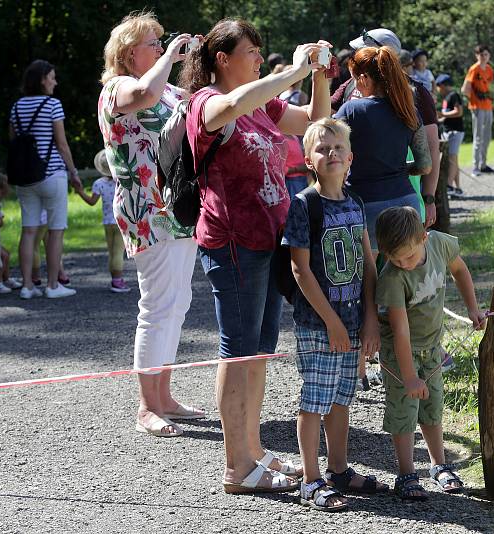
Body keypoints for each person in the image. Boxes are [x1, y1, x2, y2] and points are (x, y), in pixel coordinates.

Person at [180, 18, 331, 493]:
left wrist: (319, 76)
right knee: (238, 350)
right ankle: (236, 468)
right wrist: (293, 71)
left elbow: (311, 121)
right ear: (222, 58)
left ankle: (254, 450)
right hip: (232, 241)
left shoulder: (261, 101)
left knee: (259, 351)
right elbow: (232, 104)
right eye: (251, 51)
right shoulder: (206, 102)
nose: (260, 58)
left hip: (268, 239)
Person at [98, 12, 205, 438]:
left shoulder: (165, 90)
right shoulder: (117, 88)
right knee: (157, 306)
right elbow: (143, 91)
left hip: (175, 208)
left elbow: (199, 102)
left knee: (177, 304)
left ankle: (164, 397)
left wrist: (199, 55)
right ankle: (147, 407)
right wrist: (172, 58)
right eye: (154, 43)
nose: (162, 49)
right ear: (128, 53)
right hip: (147, 210)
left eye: (163, 43)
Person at [282, 118, 384, 511]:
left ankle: (339, 470)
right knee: (315, 401)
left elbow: (367, 261)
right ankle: (310, 480)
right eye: (322, 149)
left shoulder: (355, 203)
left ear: (351, 157)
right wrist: (331, 321)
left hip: (353, 318)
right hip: (318, 322)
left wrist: (369, 317)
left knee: (342, 399)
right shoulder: (305, 204)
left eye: (338, 148)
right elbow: (299, 269)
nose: (332, 154)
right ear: (309, 159)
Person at [374, 206, 485, 501]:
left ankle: (440, 465)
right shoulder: (392, 277)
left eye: (408, 257)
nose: (402, 264)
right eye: (393, 258)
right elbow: (400, 331)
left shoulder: (439, 244)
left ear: (423, 237)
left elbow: (460, 269)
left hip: (432, 347)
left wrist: (473, 307)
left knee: (433, 405)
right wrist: (409, 378)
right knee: (405, 411)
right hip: (400, 355)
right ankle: (407, 473)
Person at [331, 28, 440, 231]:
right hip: (406, 201)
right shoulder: (410, 106)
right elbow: (426, 163)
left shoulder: (352, 108)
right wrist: (396, 166)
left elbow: (325, 137)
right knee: (406, 262)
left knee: (368, 263)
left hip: (364, 201)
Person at [12, 59, 80, 299]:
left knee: (28, 230)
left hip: (25, 177)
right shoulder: (53, 105)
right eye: (52, 77)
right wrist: (73, 172)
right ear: (42, 80)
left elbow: (15, 140)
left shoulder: (17, 106)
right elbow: (61, 144)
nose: (55, 81)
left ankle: (27, 286)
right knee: (55, 231)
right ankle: (52, 285)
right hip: (52, 174)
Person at [72, 150, 130, 293]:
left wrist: (80, 192)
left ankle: (114, 279)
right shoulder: (121, 181)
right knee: (118, 252)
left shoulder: (98, 183)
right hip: (119, 221)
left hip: (107, 222)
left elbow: (92, 202)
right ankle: (117, 282)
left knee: (111, 252)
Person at [462, 44, 494, 177]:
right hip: (477, 107)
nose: (483, 57)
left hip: (488, 106)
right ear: (477, 56)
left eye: (486, 54)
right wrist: (473, 99)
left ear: (489, 56)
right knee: (478, 137)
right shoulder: (474, 69)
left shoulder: (489, 69)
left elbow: (488, 85)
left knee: (487, 137)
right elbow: (465, 89)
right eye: (481, 55)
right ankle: (475, 167)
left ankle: (483, 164)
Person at [436, 74, 465, 199]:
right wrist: (441, 119)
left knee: (451, 159)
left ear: (441, 85)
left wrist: (443, 114)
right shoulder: (445, 98)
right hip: (449, 130)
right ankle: (457, 187)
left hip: (455, 131)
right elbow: (447, 115)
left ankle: (449, 186)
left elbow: (459, 112)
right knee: (454, 160)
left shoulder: (453, 95)